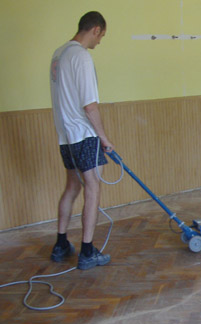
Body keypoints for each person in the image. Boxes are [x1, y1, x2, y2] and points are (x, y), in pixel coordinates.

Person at [49, 11, 114, 270]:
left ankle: (61, 244)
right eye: (101, 36)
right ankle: (87, 251)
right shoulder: (81, 57)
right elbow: (90, 106)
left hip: (65, 136)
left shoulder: (59, 54)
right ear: (95, 29)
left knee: (72, 187)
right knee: (93, 187)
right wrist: (104, 138)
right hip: (83, 134)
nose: (99, 41)